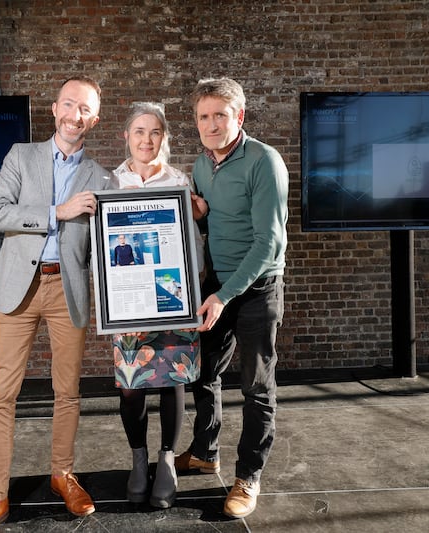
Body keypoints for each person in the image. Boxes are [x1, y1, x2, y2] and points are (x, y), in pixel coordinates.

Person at [0, 76, 113, 533]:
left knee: (68, 393)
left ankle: (62, 474)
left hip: (69, 291)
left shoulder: (101, 178)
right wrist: (55, 214)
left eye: (84, 109)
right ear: (54, 108)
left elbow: (115, 241)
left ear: (94, 119)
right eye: (68, 105)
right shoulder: (21, 156)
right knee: (1, 396)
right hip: (17, 290)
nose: (74, 115)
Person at [175, 78, 288, 519]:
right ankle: (205, 451)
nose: (211, 124)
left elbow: (268, 245)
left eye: (220, 115)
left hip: (257, 288)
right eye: (203, 117)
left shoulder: (264, 161)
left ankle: (248, 476)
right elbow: (215, 230)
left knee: (257, 386)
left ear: (239, 116)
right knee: (202, 372)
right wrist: (200, 220)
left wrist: (222, 295)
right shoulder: (202, 166)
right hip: (218, 284)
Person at [111, 102, 204, 509]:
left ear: (164, 138)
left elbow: (194, 243)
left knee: (172, 379)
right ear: (126, 137)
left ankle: (167, 458)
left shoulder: (180, 180)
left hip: (173, 296)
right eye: (139, 132)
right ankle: (138, 457)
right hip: (128, 301)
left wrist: (197, 215)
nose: (147, 140)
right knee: (132, 385)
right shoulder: (109, 183)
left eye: (155, 133)